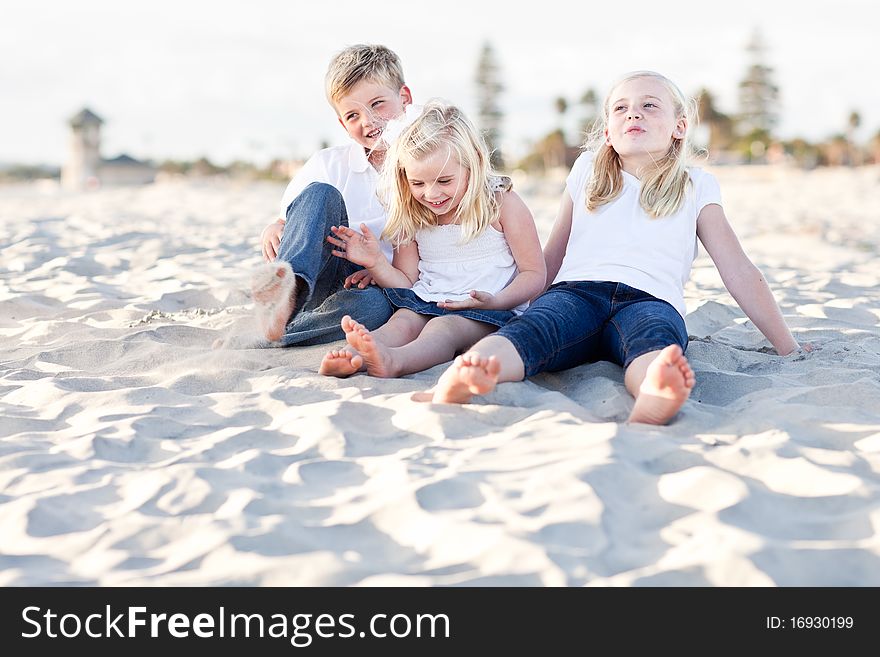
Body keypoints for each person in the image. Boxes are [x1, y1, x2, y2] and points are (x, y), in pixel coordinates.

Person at [425, 71, 809, 425]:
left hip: (650, 299)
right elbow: (554, 253)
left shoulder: (696, 184)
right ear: (608, 130)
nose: (633, 115)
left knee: (655, 342)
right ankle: (476, 368)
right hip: (576, 292)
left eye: (649, 105)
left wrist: (786, 345)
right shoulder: (587, 170)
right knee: (535, 330)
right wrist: (522, 302)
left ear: (679, 127)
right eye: (621, 108)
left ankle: (654, 391)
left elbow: (736, 269)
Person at [318, 100, 545, 379]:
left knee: (443, 329)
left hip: (487, 310)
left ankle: (396, 361)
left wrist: (495, 301)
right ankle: (357, 356)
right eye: (418, 183)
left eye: (444, 181)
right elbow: (407, 283)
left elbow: (534, 273)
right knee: (402, 322)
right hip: (429, 299)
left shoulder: (501, 203)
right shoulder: (413, 215)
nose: (431, 194)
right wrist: (376, 262)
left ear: (472, 162)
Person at [236, 44, 413, 348]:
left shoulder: (424, 170)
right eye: (353, 115)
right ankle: (286, 294)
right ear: (343, 124)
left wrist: (382, 272)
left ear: (405, 99)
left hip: (377, 286)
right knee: (321, 193)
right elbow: (290, 219)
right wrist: (274, 227)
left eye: (378, 104)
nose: (368, 121)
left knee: (374, 310)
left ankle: (282, 333)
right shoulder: (328, 164)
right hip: (318, 277)